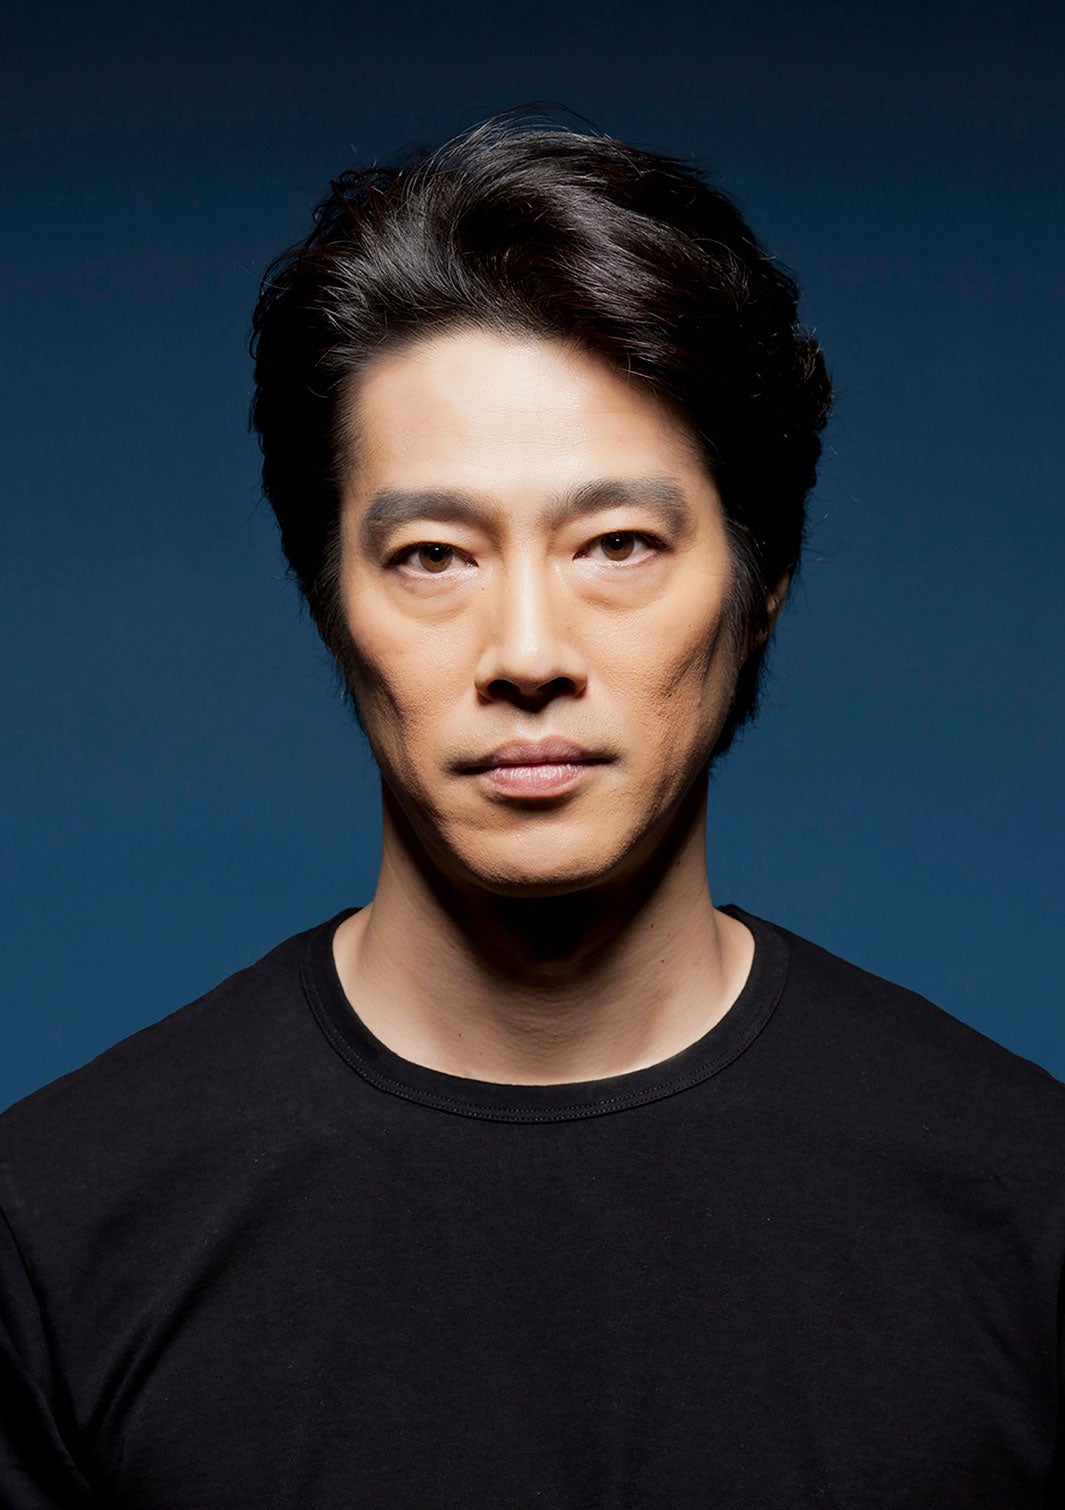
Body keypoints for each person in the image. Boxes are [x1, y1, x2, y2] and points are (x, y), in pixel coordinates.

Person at [1, 109, 1062, 1509]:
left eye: (616, 544)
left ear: (761, 589)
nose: (525, 652)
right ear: (328, 603)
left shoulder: (1025, 1203)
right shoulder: (53, 1230)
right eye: (433, 554)